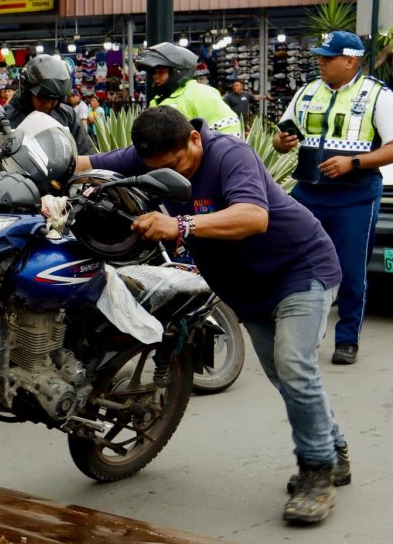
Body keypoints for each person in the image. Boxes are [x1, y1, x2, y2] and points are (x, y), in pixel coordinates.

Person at [78, 106, 346, 525]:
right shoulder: (152, 154)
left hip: (300, 269)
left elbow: (254, 217)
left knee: (294, 367)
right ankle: (335, 448)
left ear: (194, 140)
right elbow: (85, 163)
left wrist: (180, 226)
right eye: (162, 170)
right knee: (284, 375)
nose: (175, 175)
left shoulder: (230, 155)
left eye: (178, 165)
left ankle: (317, 471)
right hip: (247, 287)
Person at [272, 30, 393, 366]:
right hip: (308, 192)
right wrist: (281, 142)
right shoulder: (308, 91)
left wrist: (352, 162)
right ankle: (304, 334)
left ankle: (347, 339)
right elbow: (279, 140)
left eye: (327, 57)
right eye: (320, 56)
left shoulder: (378, 96)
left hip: (356, 196)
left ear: (350, 60)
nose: (320, 62)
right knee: (299, 264)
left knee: (352, 271)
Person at [0, 54, 94, 154]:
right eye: (43, 99)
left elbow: (85, 153)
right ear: (27, 93)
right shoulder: (3, 119)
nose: (48, 105)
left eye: (54, 99)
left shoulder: (68, 115)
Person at [137, 42, 242, 137]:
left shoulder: (200, 93)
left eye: (160, 71)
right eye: (153, 72)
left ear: (177, 72)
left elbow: (230, 130)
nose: (155, 76)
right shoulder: (156, 102)